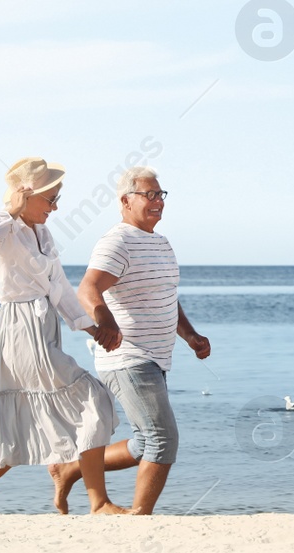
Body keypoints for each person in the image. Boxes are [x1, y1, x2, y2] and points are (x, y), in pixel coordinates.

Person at [0, 158, 126, 516]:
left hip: (43, 325)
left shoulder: (43, 234)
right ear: (26, 196)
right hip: (18, 326)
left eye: (58, 198)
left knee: (23, 418)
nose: (56, 207)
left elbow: (58, 287)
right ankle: (98, 501)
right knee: (92, 398)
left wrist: (89, 325)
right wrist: (10, 208)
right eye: (50, 199)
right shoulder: (6, 229)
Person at [49, 167, 210, 515]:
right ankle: (140, 517)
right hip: (129, 358)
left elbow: (166, 296)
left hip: (156, 359)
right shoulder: (117, 241)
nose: (156, 202)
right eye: (148, 195)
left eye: (160, 195)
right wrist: (103, 318)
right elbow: (88, 288)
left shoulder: (161, 243)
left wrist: (190, 335)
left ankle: (71, 468)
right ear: (125, 201)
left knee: (143, 443)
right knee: (162, 440)